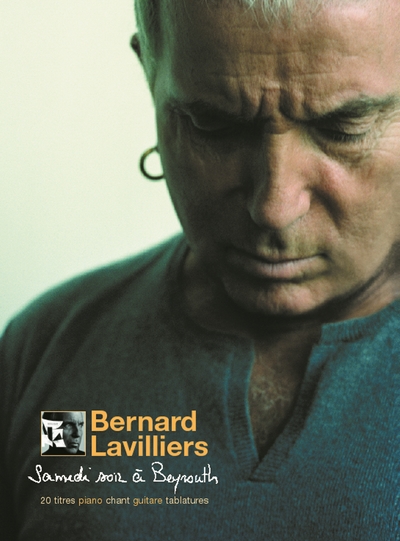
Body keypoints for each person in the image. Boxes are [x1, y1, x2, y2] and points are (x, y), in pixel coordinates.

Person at [1, 0, 399, 539]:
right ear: (149, 75)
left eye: (343, 126)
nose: (274, 206)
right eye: (213, 124)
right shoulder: (46, 348)